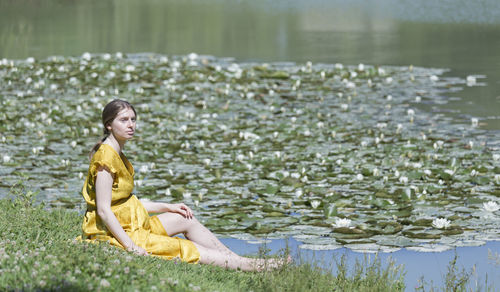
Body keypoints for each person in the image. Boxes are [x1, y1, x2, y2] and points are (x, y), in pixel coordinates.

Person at [79, 99, 288, 271]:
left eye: (133, 119)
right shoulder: (105, 158)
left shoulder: (117, 152)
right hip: (117, 232)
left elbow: (124, 202)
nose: (131, 125)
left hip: (135, 223)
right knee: (187, 248)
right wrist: (131, 247)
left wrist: (167, 207)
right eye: (123, 120)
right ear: (109, 125)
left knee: (183, 217)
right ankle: (254, 266)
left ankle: (235, 259)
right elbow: (105, 211)